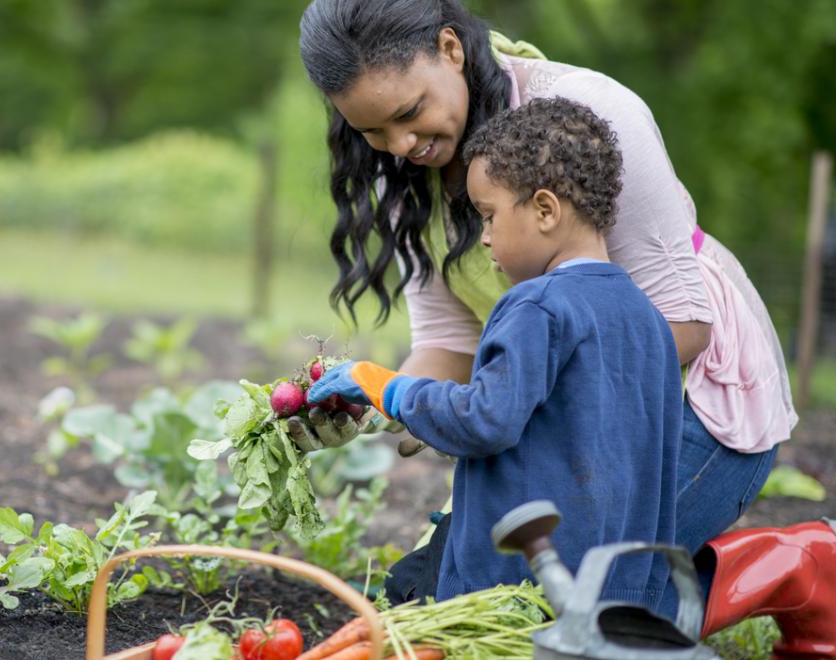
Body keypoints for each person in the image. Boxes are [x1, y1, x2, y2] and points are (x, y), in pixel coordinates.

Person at [296, 0, 835, 648]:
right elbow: (448, 346)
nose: (401, 147)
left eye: (409, 114)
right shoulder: (406, 173)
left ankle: (798, 566)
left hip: (693, 398)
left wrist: (525, 409)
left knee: (576, 613)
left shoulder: (587, 116)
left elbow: (688, 326)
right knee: (429, 602)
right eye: (374, 133)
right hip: (546, 403)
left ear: (451, 49)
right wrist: (377, 403)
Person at [310, 96, 684, 616]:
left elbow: (485, 421)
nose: (483, 239)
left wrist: (386, 386)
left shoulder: (537, 305)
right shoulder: (647, 319)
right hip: (618, 591)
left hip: (517, 587)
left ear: (546, 210)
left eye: (488, 216)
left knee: (402, 614)